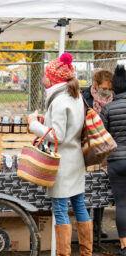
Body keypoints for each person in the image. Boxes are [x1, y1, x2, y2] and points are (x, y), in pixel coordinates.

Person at [28, 53, 92, 256]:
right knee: (80, 206)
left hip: (61, 164)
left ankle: (64, 254)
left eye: (47, 76)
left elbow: (58, 136)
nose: (44, 79)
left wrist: (33, 124)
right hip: (76, 161)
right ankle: (86, 252)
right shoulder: (76, 96)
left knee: (60, 210)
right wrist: (45, 120)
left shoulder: (58, 101)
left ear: (54, 79)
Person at [82, 69, 114, 239]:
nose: (106, 91)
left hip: (106, 147)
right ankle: (86, 227)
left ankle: (98, 227)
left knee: (100, 188)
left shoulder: (114, 99)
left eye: (109, 88)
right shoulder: (85, 98)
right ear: (96, 85)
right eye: (104, 88)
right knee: (88, 188)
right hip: (89, 146)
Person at [100, 65, 126, 256]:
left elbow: (102, 137)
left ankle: (125, 246)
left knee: (122, 204)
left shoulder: (107, 108)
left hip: (116, 161)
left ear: (113, 89)